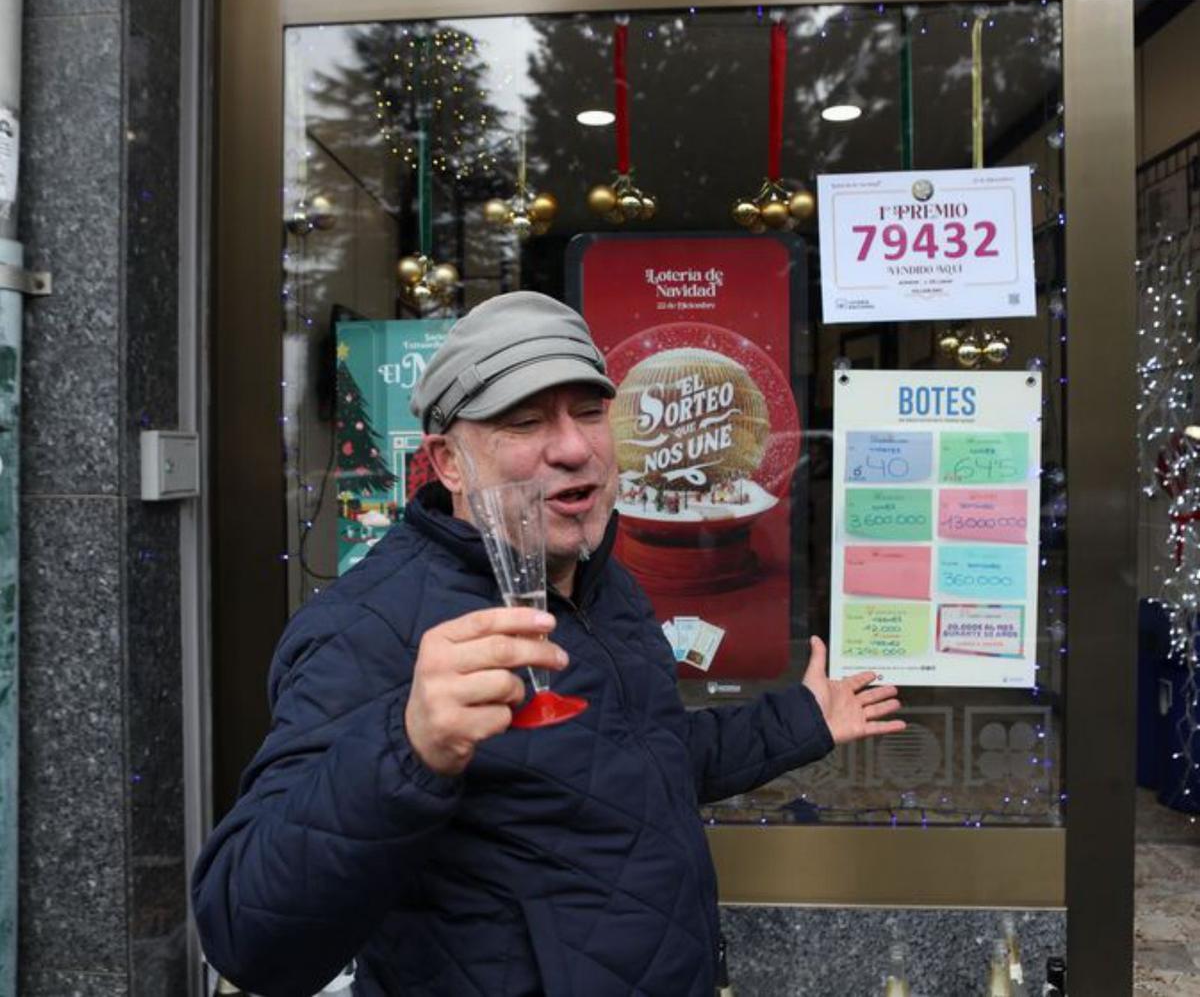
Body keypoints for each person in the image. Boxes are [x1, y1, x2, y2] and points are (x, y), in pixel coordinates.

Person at [191, 291, 905, 997]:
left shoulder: (602, 585)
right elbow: (247, 933)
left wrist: (804, 718)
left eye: (590, 411)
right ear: (447, 461)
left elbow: (635, 760)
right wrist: (407, 744)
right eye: (525, 420)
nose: (573, 447)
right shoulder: (370, 626)